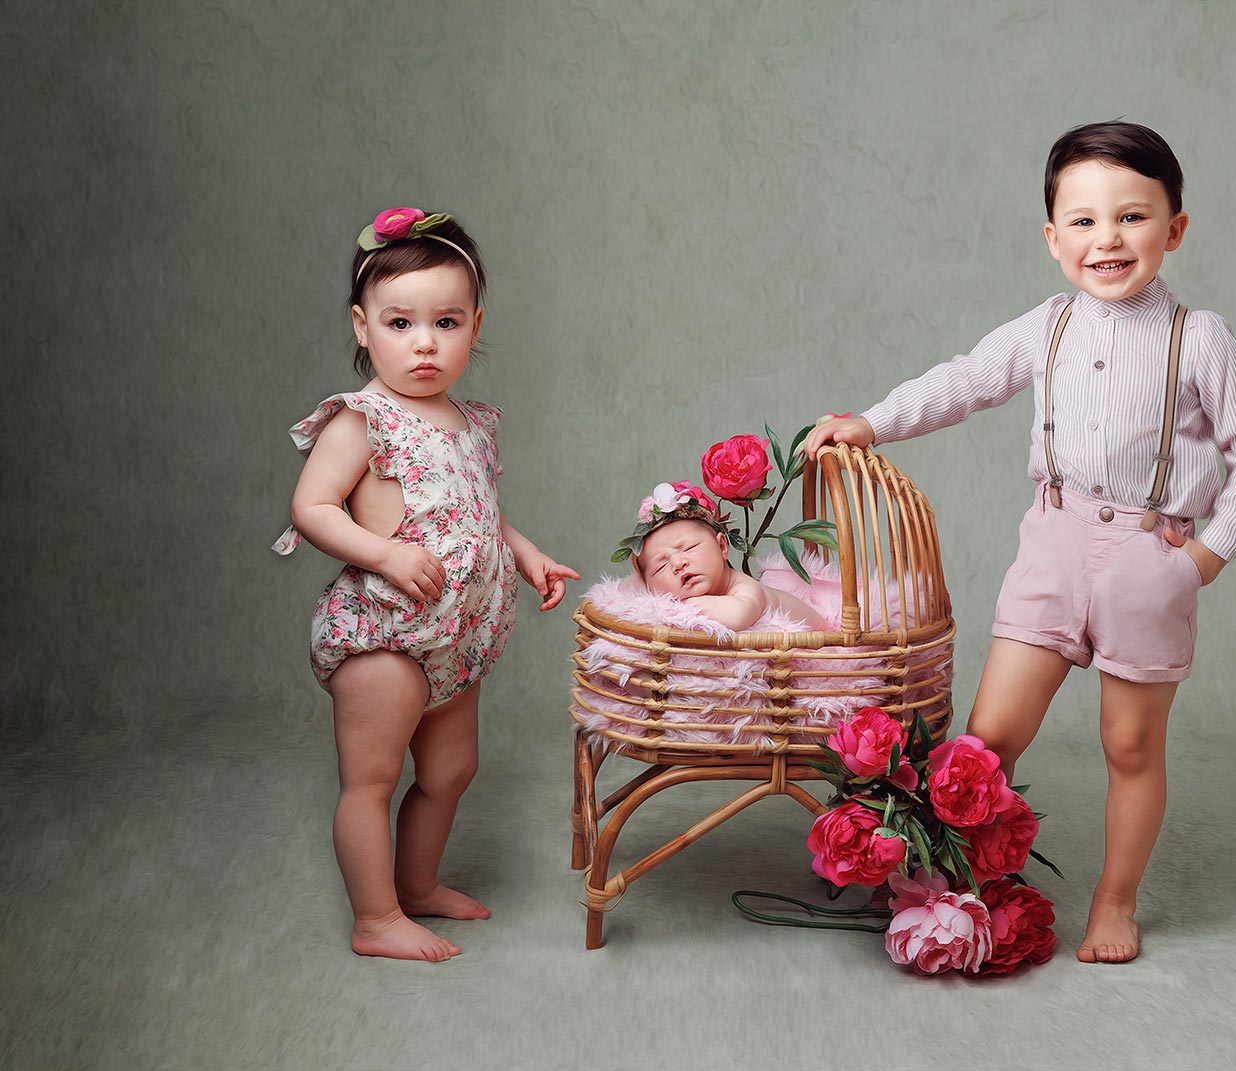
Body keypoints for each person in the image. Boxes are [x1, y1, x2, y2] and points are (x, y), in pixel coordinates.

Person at [803, 122, 1236, 964]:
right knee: (988, 737)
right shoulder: (1048, 324)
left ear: (1174, 228)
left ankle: (1115, 899)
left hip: (1148, 559)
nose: (1108, 239)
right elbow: (965, 379)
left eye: (1133, 217)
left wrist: (1205, 558)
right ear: (1053, 237)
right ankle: (944, 879)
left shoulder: (1199, 337)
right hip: (1053, 544)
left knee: (1130, 744)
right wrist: (872, 422)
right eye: (1085, 221)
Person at [274, 207, 579, 962]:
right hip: (386, 633)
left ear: (475, 325)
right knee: (372, 779)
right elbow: (313, 507)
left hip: (456, 638)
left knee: (449, 770)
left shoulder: (468, 421)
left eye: (446, 322)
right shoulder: (363, 420)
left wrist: (526, 554)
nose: (424, 343)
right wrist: (384, 554)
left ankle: (416, 886)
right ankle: (375, 917)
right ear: (362, 325)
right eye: (400, 323)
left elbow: (477, 511)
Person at [621, 482, 826, 631]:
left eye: (689, 548)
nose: (677, 563)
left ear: (722, 546)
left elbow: (737, 616)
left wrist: (676, 607)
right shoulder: (658, 584)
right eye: (660, 567)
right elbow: (624, 589)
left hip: (822, 649)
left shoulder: (745, 588)